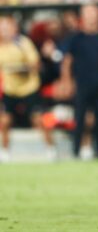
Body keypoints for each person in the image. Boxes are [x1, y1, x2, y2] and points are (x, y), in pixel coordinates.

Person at [60, 4, 98, 159]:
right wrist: (67, 81)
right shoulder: (76, 38)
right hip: (82, 83)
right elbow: (67, 62)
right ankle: (76, 151)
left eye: (94, 12)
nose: (91, 16)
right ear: (82, 16)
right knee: (79, 118)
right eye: (88, 13)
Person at [0, 16, 55, 162]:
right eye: (2, 27)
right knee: (4, 121)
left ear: (14, 28)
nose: (4, 30)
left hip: (29, 88)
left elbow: (36, 65)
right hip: (10, 90)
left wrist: (23, 69)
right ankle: (4, 152)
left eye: (7, 26)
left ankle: (51, 150)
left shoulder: (23, 43)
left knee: (39, 120)